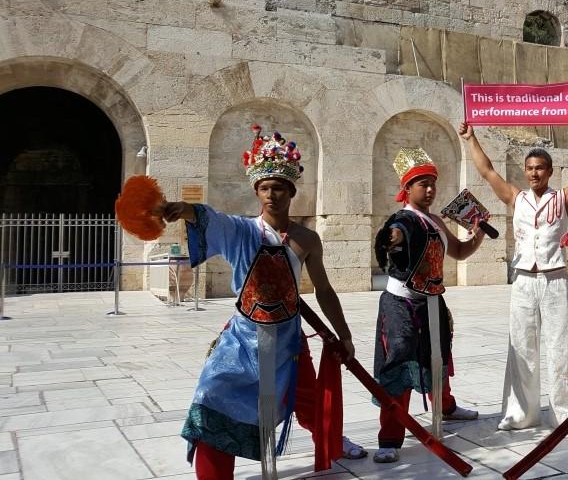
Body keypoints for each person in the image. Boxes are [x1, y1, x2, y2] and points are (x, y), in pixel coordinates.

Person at [161, 125, 361, 479]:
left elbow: (324, 290)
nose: (272, 195)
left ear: (291, 191)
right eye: (265, 188)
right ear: (256, 191)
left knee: (309, 401)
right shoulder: (242, 230)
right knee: (211, 398)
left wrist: (343, 334)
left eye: (279, 187)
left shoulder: (307, 239)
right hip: (243, 338)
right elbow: (209, 217)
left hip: (289, 340)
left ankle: (332, 441)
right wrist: (185, 209)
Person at [458, 119, 568, 432]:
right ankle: (521, 412)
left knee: (563, 345)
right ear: (525, 171)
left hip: (555, 278)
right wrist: (470, 139)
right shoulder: (515, 198)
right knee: (521, 346)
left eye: (540, 168)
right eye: (530, 168)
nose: (534, 173)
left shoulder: (563, 198)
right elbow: (487, 171)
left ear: (550, 171)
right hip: (523, 280)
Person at [372, 147, 483, 463]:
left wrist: (476, 235)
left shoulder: (435, 220)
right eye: (423, 184)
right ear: (407, 188)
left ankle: (445, 407)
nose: (430, 189)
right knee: (399, 362)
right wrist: (390, 239)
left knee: (439, 356)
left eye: (433, 183)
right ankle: (390, 437)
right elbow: (395, 235)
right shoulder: (402, 220)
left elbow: (458, 251)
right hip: (400, 304)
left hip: (432, 301)